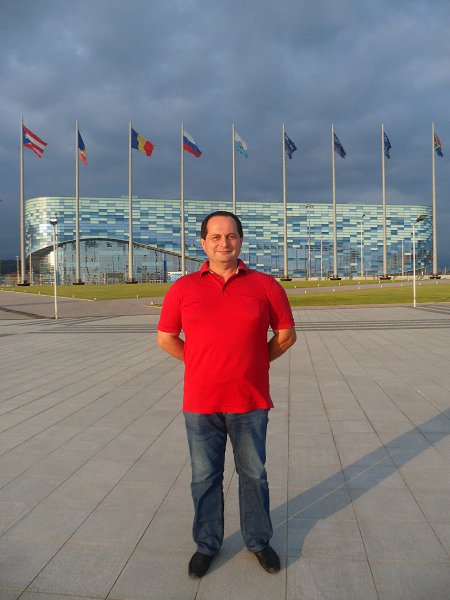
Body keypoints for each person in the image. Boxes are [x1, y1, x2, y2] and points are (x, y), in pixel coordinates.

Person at [157, 211, 296, 578]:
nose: (224, 243)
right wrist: (200, 362)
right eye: (216, 237)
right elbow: (166, 338)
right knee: (204, 478)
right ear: (203, 243)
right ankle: (207, 544)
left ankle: (258, 541)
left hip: (250, 401)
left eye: (231, 236)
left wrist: (254, 361)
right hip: (200, 403)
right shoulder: (183, 288)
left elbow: (286, 335)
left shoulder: (265, 286)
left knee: (254, 475)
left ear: (240, 241)